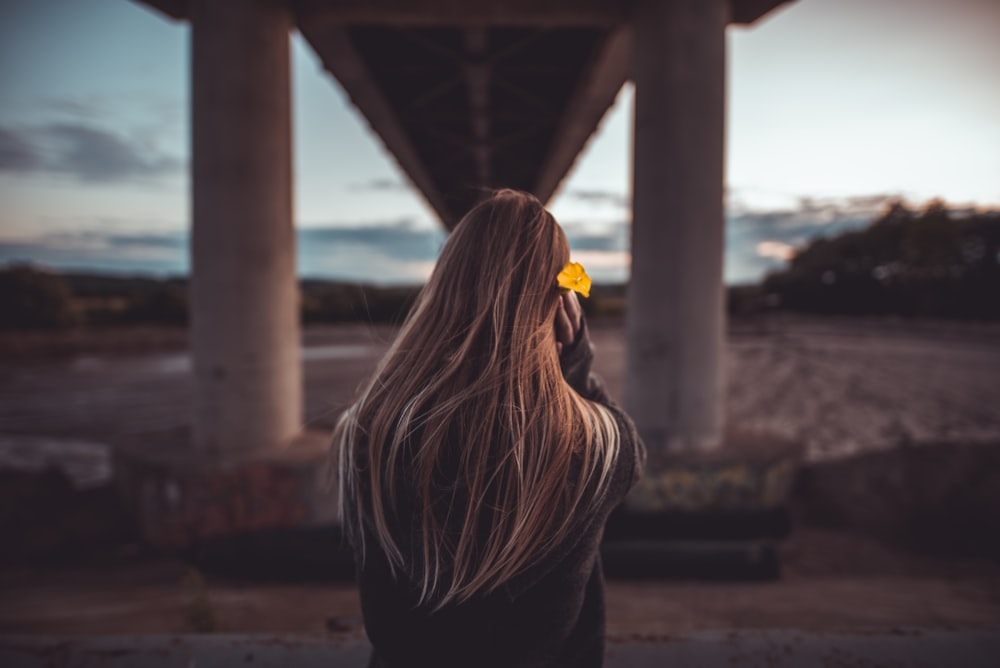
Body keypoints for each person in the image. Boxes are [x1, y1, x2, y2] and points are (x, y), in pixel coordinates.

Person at [329, 189, 645, 668]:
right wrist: (574, 363)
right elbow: (634, 454)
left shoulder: (365, 434)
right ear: (559, 307)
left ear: (444, 287)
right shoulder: (597, 449)